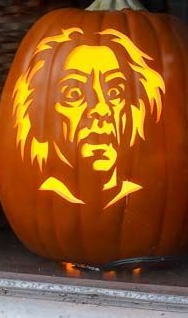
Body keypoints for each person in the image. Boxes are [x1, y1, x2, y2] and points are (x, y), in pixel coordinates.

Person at [11, 26, 165, 209]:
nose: (101, 109)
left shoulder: (150, 201)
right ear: (38, 119)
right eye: (74, 94)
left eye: (115, 92)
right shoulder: (34, 202)